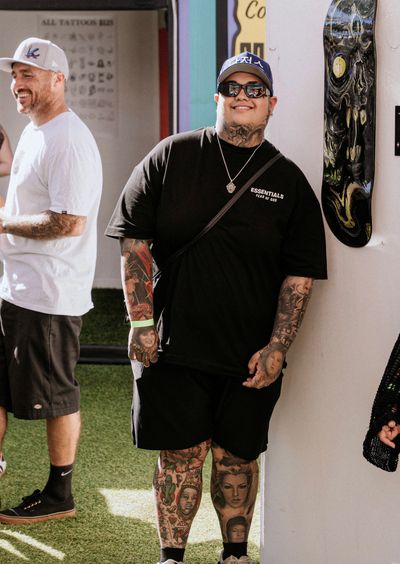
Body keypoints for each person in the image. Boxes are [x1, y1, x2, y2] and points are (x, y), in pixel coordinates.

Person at [106, 51, 327, 564]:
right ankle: (172, 557)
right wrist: (140, 321)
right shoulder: (172, 156)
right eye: (232, 88)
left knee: (236, 459)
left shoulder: (288, 182)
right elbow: (133, 242)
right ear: (218, 98)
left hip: (248, 355)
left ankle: (234, 555)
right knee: (179, 457)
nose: (242, 96)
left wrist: (277, 347)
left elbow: (298, 277)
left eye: (254, 89)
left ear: (271, 103)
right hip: (173, 344)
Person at [0, 37, 102, 523]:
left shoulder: (68, 139)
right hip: (17, 287)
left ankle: (60, 494)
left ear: (58, 79)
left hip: (49, 295)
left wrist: (2, 222)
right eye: (15, 75)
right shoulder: (36, 130)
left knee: (56, 397)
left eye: (30, 75)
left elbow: (68, 222)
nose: (18, 84)